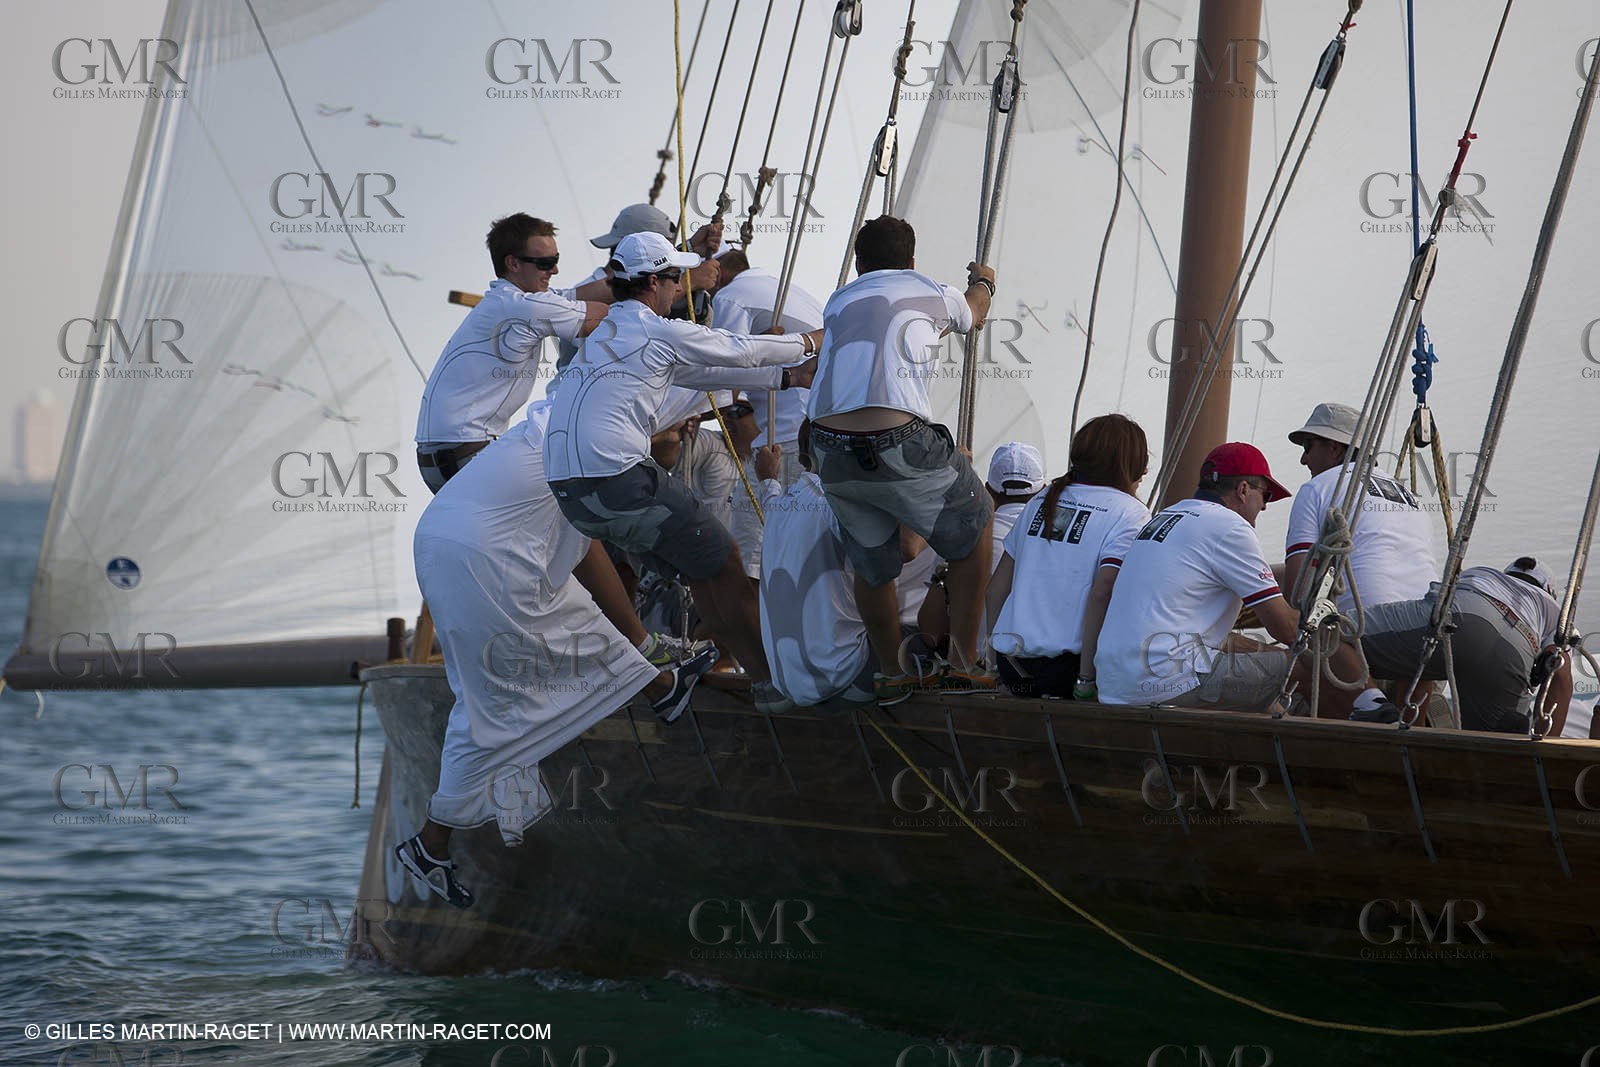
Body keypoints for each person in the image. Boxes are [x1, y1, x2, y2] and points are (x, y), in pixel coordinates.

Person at [395, 399, 720, 909]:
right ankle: (429, 842)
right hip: (479, 557)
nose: (688, 429)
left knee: (497, 694)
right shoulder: (591, 441)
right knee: (493, 708)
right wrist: (796, 357)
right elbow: (684, 384)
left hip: (451, 547)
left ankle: (662, 687)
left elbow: (589, 555)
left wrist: (641, 642)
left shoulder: (563, 434)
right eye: (681, 423)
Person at [544, 231, 822, 696]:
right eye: (676, 278)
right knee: (727, 560)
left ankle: (729, 673)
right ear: (654, 282)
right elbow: (743, 349)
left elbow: (695, 373)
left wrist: (786, 377)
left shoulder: (607, 333)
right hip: (618, 480)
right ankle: (774, 683)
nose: (683, 289)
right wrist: (813, 341)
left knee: (704, 567)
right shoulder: (659, 329)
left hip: (572, 495)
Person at [805, 215, 998, 704]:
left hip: (826, 445)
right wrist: (984, 282)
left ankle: (892, 671)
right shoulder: (930, 289)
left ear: (858, 263)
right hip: (898, 437)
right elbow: (974, 314)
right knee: (977, 521)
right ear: (911, 262)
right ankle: (962, 662)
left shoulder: (839, 301)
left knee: (874, 565)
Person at [1096, 442, 1311, 711]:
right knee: (1309, 671)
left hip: (1116, 685)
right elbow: (1285, 629)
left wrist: (1274, 655)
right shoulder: (1231, 527)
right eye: (1265, 495)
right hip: (1169, 682)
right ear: (1243, 490)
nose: (1265, 507)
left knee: (1272, 681)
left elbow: (1205, 637)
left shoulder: (1164, 517)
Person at [415, 213, 612, 493]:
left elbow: (580, 295)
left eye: (556, 260)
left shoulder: (508, 301)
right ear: (513, 263)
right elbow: (599, 318)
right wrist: (649, 291)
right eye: (545, 263)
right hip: (466, 456)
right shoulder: (520, 307)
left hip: (446, 457)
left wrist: (675, 263)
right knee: (583, 493)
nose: (554, 271)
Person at [987, 416, 1150, 700]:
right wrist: (1086, 679)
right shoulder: (1130, 512)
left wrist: (996, 672)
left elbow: (995, 591)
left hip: (1012, 666)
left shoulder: (1041, 500)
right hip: (1068, 670)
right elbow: (1103, 592)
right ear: (1134, 466)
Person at [711, 247, 827, 579]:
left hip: (783, 445)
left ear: (718, 274)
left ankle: (753, 631)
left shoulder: (729, 298)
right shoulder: (781, 289)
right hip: (819, 441)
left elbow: (721, 390)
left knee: (750, 567)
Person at [1358, 557, 1573, 733]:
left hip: (1463, 607)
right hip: (1517, 645)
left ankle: (1376, 708)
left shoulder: (1484, 573)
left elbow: (1419, 661)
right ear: (1548, 590)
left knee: (1338, 634)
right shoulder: (1554, 611)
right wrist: (1544, 745)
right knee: (1500, 753)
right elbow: (1559, 670)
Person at [1282, 402, 1436, 614]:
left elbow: (1298, 593)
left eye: (1308, 447)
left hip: (1366, 625)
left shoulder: (1317, 488)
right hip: (1425, 621)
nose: (1303, 459)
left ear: (1334, 448)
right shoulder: (1411, 498)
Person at [918, 441, 1048, 654]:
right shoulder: (1063, 542)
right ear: (1043, 489)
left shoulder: (962, 539)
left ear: (988, 490)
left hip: (977, 675)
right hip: (1041, 673)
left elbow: (931, 633)